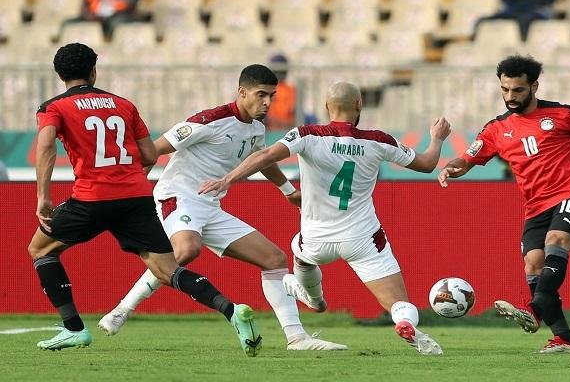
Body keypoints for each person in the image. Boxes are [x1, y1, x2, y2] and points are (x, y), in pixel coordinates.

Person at [28, 43, 261, 356]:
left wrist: (43, 197)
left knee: (40, 249)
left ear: (59, 75)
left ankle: (73, 329)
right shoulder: (123, 104)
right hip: (136, 197)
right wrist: (125, 181)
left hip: (90, 198)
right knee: (167, 271)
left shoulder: (53, 107)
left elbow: (45, 148)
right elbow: (149, 154)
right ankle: (232, 311)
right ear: (94, 71)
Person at [97, 64, 346, 351]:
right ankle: (121, 311)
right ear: (242, 92)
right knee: (187, 250)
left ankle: (297, 338)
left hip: (210, 204)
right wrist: (125, 186)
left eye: (272, 96)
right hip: (178, 194)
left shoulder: (255, 128)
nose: (267, 103)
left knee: (275, 258)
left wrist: (288, 191)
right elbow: (152, 150)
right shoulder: (209, 120)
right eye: (260, 95)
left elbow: (261, 158)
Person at [200, 81, 452, 355]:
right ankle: (404, 322)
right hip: (363, 239)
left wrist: (228, 178)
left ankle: (314, 299)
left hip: (316, 240)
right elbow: (427, 164)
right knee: (399, 303)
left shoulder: (307, 135)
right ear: (359, 105)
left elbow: (266, 155)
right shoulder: (378, 140)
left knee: (299, 252)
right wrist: (437, 137)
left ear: (327, 107)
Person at [438, 55, 570, 353]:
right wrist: (452, 167)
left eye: (518, 90)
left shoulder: (563, 115)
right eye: (505, 90)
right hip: (536, 208)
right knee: (533, 264)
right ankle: (565, 339)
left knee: (555, 241)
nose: (511, 97)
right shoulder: (497, 128)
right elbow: (468, 158)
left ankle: (533, 311)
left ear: (534, 86)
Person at [474, 0, 558, 41]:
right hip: (512, 11)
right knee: (482, 21)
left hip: (535, 12)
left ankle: (523, 49)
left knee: (524, 20)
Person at [265, 54, 298, 131]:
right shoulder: (266, 90)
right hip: (270, 129)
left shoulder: (292, 90)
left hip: (288, 129)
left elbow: (295, 113)